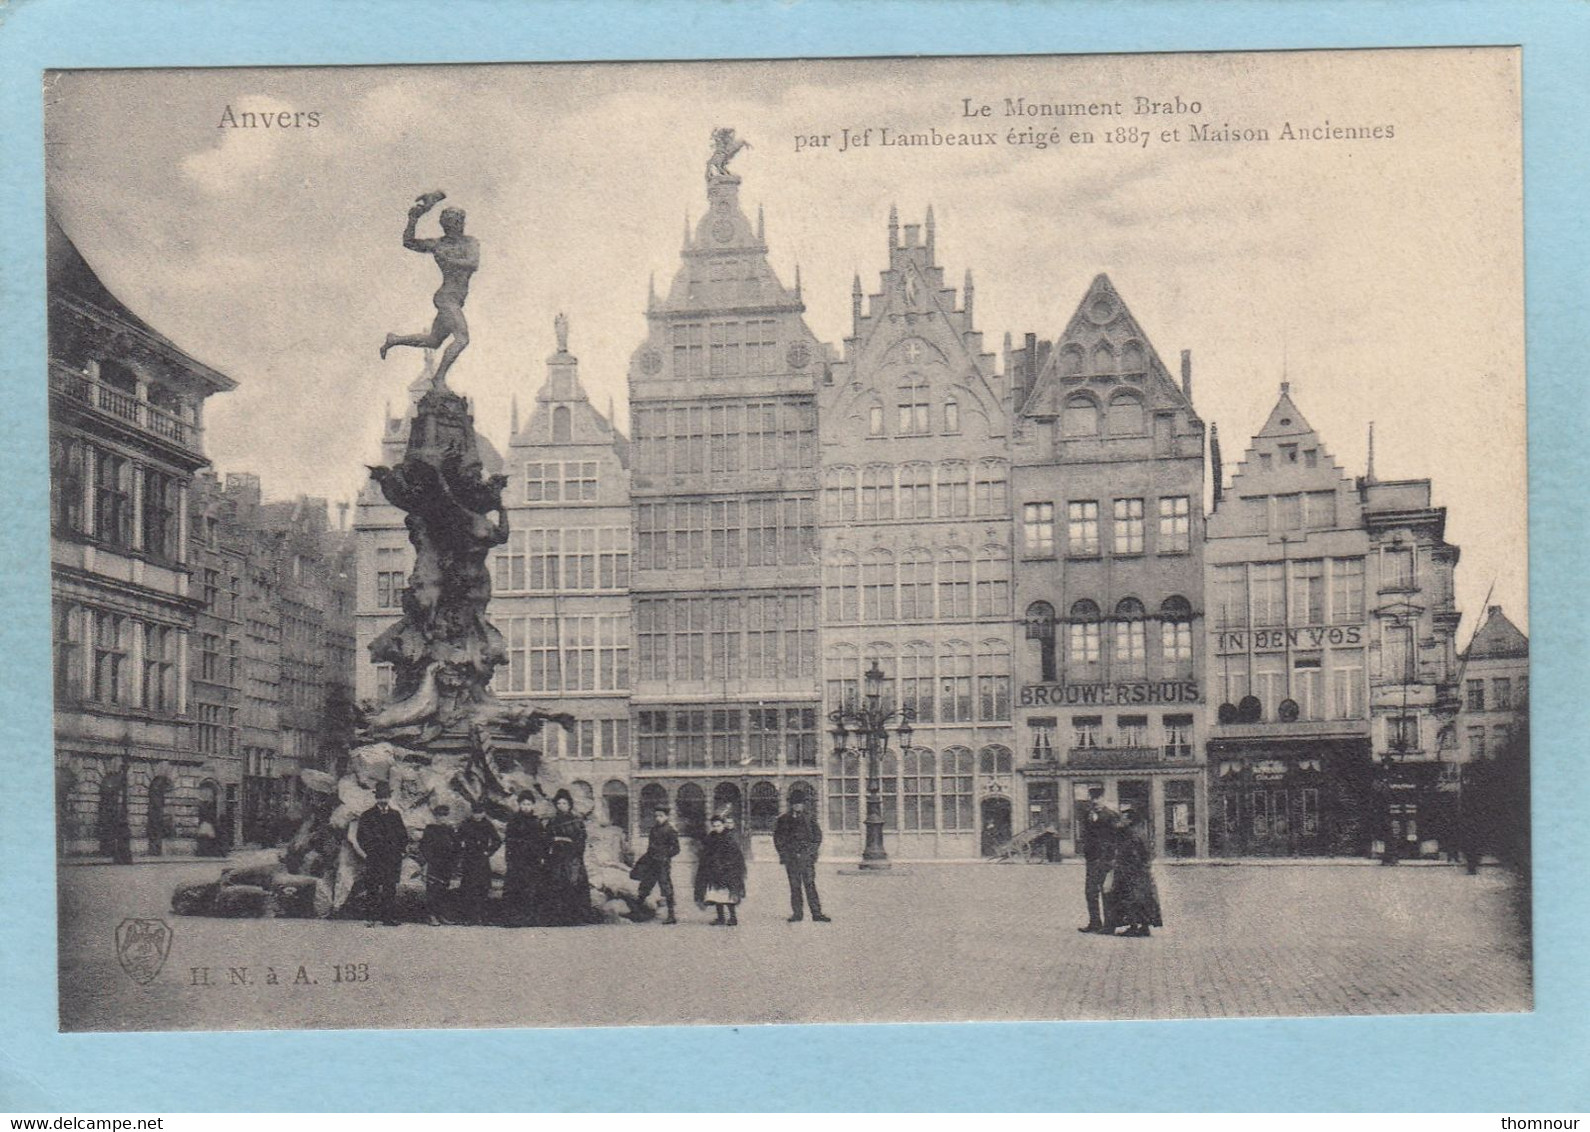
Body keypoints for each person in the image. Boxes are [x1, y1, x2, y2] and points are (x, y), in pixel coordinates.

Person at [380, 192, 480, 387]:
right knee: (462, 338)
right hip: (446, 298)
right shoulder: (438, 244)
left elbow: (473, 263)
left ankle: (394, 339)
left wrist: (446, 258)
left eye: (458, 222)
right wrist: (413, 218)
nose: (455, 226)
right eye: (450, 223)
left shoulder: (470, 242)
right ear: (445, 225)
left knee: (433, 340)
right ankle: (439, 378)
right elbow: (408, 242)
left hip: (456, 298)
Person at [354, 782, 410, 927]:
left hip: (392, 858)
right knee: (372, 887)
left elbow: (403, 835)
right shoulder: (367, 815)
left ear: (389, 797)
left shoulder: (395, 815)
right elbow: (361, 836)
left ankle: (388, 918)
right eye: (380, 797)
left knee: (390, 888)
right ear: (376, 798)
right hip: (375, 857)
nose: (383, 800)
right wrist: (371, 850)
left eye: (385, 797)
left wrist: (400, 850)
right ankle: (371, 918)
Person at [1104, 807, 1163, 938]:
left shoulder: (1131, 834)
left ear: (1130, 820)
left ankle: (1134, 927)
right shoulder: (1138, 832)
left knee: (1131, 899)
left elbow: (1132, 854)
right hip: (1139, 872)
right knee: (1143, 899)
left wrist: (1123, 866)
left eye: (1123, 818)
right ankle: (1144, 927)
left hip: (1132, 872)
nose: (1120, 820)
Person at [773, 796, 829, 922]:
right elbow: (777, 838)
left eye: (800, 804)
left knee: (810, 884)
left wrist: (810, 852)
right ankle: (797, 914)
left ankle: (816, 913)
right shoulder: (783, 820)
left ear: (803, 805)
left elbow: (817, 837)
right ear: (791, 805)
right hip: (791, 859)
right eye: (795, 804)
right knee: (795, 886)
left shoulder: (810, 818)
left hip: (806, 858)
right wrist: (784, 854)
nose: (797, 806)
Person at [543, 789, 593, 925]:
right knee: (557, 885)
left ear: (569, 804)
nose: (561, 806)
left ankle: (576, 917)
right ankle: (559, 918)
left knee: (574, 884)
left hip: (572, 858)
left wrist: (570, 844)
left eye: (564, 803)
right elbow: (546, 839)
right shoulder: (552, 821)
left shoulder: (576, 821)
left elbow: (581, 840)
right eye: (559, 803)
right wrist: (555, 839)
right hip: (557, 858)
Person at [1076, 786, 1119, 934]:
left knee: (1106, 892)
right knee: (1090, 892)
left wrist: (1112, 858)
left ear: (1103, 799)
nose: (1094, 801)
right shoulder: (1088, 815)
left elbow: (1115, 838)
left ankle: (1109, 925)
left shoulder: (1111, 815)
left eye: (1097, 798)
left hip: (1105, 860)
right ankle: (1094, 923)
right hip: (1092, 859)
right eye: (1092, 798)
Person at [502, 791, 547, 925]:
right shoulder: (514, 821)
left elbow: (542, 841)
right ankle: (514, 919)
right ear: (519, 805)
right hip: (517, 860)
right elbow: (509, 841)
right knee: (515, 888)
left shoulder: (537, 822)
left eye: (529, 804)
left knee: (532, 888)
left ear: (533, 805)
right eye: (524, 804)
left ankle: (531, 918)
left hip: (532, 861)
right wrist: (509, 859)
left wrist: (541, 856)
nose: (526, 807)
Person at [695, 814, 748, 926]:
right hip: (714, 872)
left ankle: (733, 918)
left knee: (728, 895)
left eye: (719, 825)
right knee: (716, 896)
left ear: (723, 825)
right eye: (714, 826)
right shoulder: (711, 837)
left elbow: (735, 856)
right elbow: (706, 852)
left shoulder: (729, 838)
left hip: (727, 871)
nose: (716, 828)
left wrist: (727, 866)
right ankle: (721, 918)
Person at [456, 799, 502, 925]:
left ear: (484, 813)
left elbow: (497, 840)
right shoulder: (466, 824)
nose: (477, 815)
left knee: (483, 888)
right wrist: (463, 850)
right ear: (472, 813)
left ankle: (483, 917)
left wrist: (488, 851)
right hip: (469, 860)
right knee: (468, 888)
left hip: (482, 859)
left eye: (480, 812)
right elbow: (457, 840)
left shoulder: (487, 824)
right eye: (475, 812)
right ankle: (468, 918)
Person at [633, 803, 680, 924]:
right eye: (656, 816)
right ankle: (636, 912)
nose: (658, 818)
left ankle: (671, 916)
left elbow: (676, 849)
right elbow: (650, 847)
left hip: (663, 864)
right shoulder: (654, 829)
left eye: (660, 815)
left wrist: (665, 856)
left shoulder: (670, 830)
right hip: (651, 862)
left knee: (666, 888)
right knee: (645, 885)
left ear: (666, 816)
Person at [417, 804, 460, 926]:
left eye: (444, 816)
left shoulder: (450, 830)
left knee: (443, 889)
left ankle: (441, 914)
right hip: (434, 864)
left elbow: (457, 846)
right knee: (433, 890)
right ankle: (431, 915)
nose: (442, 818)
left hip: (447, 864)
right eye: (439, 816)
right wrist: (429, 860)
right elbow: (424, 846)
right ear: (435, 817)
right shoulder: (430, 829)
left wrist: (454, 861)